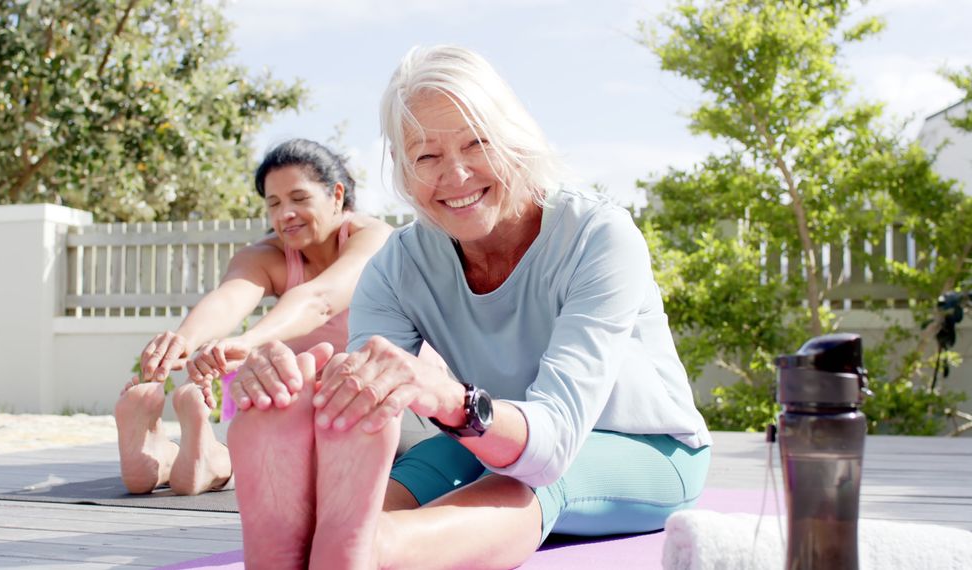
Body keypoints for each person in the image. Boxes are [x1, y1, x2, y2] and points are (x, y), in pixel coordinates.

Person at [226, 46, 712, 569]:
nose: (455, 176)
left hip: (644, 450)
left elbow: (552, 444)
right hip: (482, 440)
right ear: (403, 170)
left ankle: (374, 550)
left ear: (515, 139)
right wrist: (297, 386)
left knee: (537, 478)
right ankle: (305, 542)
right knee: (410, 469)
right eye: (427, 156)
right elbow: (364, 405)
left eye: (476, 144)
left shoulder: (598, 237)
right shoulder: (396, 266)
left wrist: (451, 399)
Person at [115, 138, 436, 496]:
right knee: (275, 415)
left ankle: (210, 461)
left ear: (336, 195)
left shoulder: (375, 238)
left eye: (299, 199)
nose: (285, 214)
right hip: (315, 403)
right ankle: (165, 456)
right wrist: (184, 340)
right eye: (274, 203)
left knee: (301, 434)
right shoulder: (266, 255)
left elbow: (321, 300)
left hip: (402, 401)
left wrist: (249, 341)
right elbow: (229, 298)